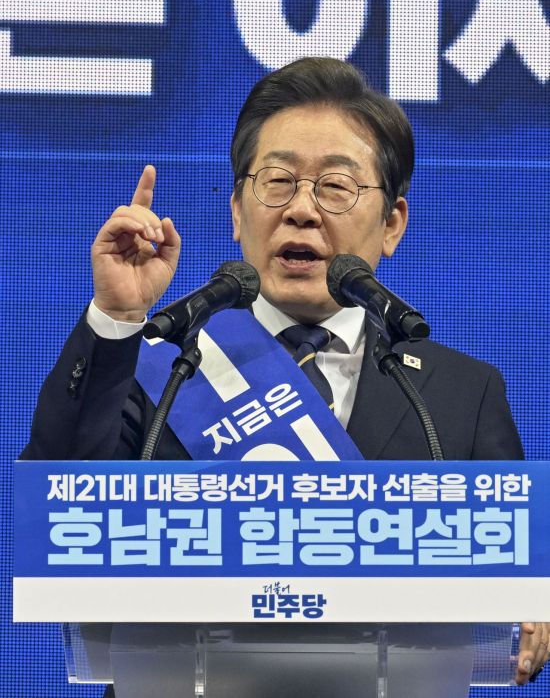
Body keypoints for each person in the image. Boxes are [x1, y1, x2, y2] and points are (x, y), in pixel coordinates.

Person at [22, 57, 548, 684]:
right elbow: (54, 512)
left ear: (392, 225)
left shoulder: (460, 394)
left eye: (336, 186)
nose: (301, 210)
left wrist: (531, 597)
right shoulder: (162, 367)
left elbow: (512, 584)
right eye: (277, 181)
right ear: (237, 211)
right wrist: (117, 318)